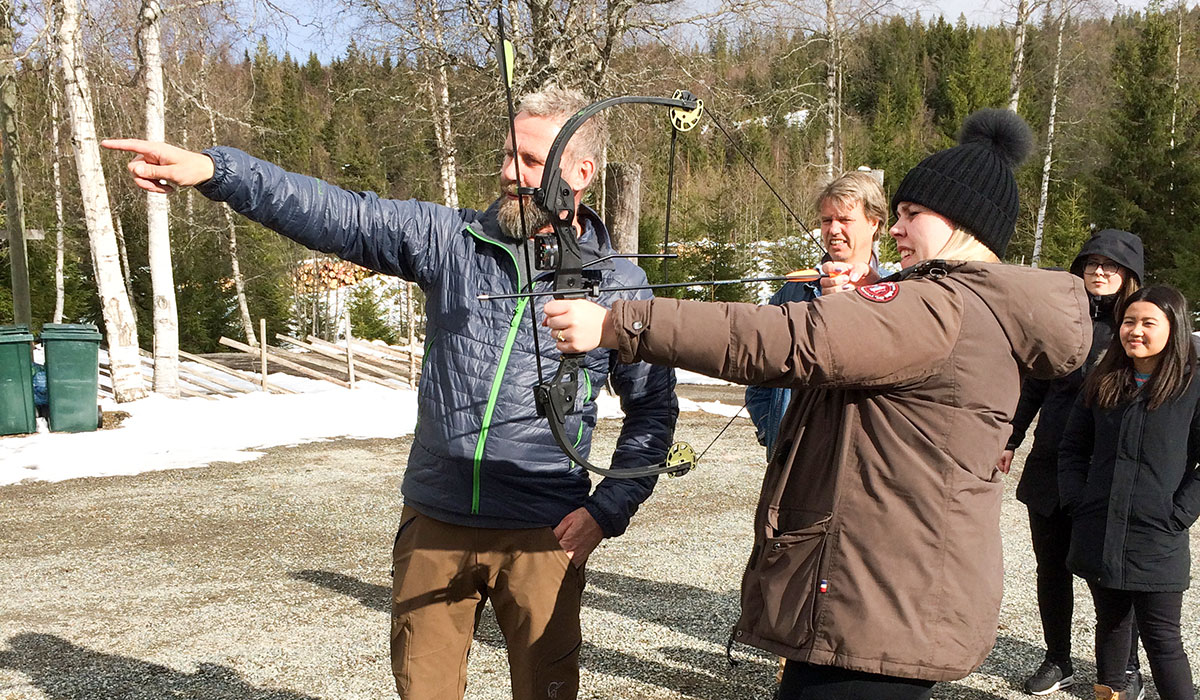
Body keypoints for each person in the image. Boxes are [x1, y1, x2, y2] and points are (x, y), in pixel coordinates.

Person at [102, 87, 679, 700]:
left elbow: (653, 411)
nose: (510, 173)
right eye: (507, 155)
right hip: (434, 519)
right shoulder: (449, 239)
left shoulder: (621, 284)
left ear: (580, 173)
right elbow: (339, 213)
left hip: (543, 532)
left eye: (531, 161)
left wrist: (605, 512)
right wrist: (219, 172)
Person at [543, 108, 1093, 699]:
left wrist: (617, 321)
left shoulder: (939, 307)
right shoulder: (958, 306)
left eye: (911, 214)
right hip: (890, 597)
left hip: (879, 606)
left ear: (962, 222)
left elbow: (779, 339)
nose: (899, 228)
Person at [999, 229, 1146, 697]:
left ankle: (1126, 668)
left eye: (1112, 265)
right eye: (1092, 262)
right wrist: (1010, 436)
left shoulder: (1139, 324)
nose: (1099, 271)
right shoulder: (1059, 319)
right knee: (1052, 568)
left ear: (1129, 275)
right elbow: (1035, 385)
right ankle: (1057, 657)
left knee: (1114, 577)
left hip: (1107, 470)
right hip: (1048, 464)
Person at [1058, 285, 1200, 700]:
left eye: (1148, 323)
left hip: (1157, 535)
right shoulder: (1105, 379)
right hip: (1099, 524)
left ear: (1173, 328)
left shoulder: (1192, 386)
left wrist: (1179, 514)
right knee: (1112, 623)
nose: (1134, 330)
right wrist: (1077, 501)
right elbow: (1072, 447)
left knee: (1162, 639)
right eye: (1129, 321)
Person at [745, 171, 885, 461]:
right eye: (826, 220)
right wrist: (774, 431)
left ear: (874, 223)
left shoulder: (894, 293)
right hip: (793, 461)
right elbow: (758, 369)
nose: (833, 229)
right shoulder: (793, 292)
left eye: (845, 220)